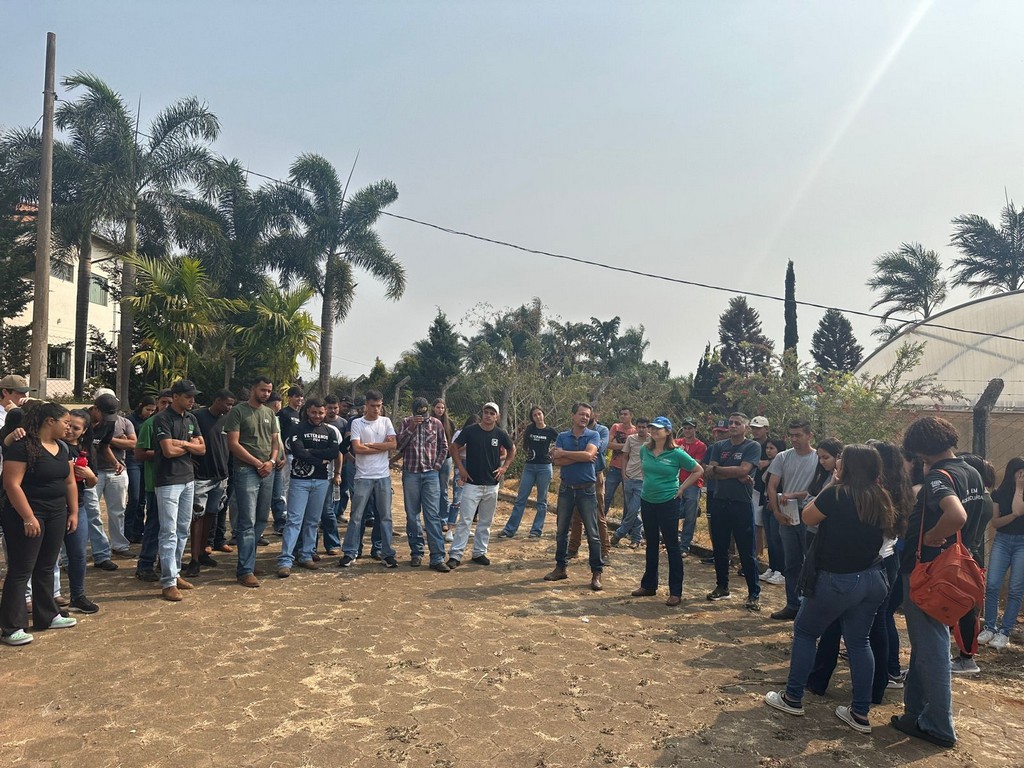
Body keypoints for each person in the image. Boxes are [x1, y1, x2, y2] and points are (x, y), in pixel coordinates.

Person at [764, 444, 897, 734]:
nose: (836, 463)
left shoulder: (836, 494)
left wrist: (832, 484)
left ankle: (792, 697)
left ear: (847, 466)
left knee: (805, 632)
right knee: (859, 642)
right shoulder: (881, 496)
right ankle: (860, 712)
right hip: (873, 578)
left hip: (838, 579)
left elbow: (808, 517)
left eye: (840, 461)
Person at [891, 416, 982, 749]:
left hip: (929, 573)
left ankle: (939, 725)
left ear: (919, 449)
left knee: (932, 647)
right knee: (925, 644)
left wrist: (931, 536)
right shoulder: (971, 472)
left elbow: (957, 515)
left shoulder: (938, 477)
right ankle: (916, 712)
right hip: (950, 570)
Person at [0, 402, 79, 645]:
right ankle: (12, 627)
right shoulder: (22, 447)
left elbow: (69, 482)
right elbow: (11, 484)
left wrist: (73, 512)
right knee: (21, 569)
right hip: (25, 515)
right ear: (49, 421)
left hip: (56, 513)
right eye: (66, 422)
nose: (68, 428)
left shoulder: (62, 448)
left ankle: (47, 616)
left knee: (46, 566)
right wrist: (28, 517)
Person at [630, 417, 703, 606]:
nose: (654, 431)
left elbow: (698, 470)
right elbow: (646, 471)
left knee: (671, 546)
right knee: (651, 543)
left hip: (668, 502)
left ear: (668, 432)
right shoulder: (645, 449)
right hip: (647, 500)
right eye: (652, 428)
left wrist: (681, 488)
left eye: (658, 428)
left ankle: (675, 591)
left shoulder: (676, 453)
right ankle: (648, 585)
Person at [152, 380, 206, 601]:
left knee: (183, 529)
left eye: (193, 396)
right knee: (169, 531)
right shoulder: (162, 418)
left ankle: (175, 573)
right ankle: (168, 582)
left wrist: (183, 444)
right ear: (175, 396)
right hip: (168, 481)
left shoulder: (191, 418)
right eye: (187, 396)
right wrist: (190, 445)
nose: (192, 400)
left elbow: (202, 449)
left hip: (188, 479)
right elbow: (167, 451)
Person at [224, 376, 279, 588]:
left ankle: (250, 561)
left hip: (267, 471)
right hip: (246, 470)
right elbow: (233, 443)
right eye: (263, 390)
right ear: (253, 389)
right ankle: (245, 570)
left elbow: (275, 442)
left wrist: (271, 462)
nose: (266, 394)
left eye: (269, 391)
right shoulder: (238, 411)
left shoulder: (269, 413)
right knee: (247, 520)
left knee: (262, 519)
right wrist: (257, 463)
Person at [448, 402, 515, 568]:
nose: (488, 416)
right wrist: (460, 468)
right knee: (465, 520)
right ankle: (455, 554)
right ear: (482, 413)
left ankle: (479, 552)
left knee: (485, 521)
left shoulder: (500, 433)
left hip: (492, 484)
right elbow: (454, 447)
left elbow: (512, 449)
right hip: (472, 483)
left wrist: (504, 467)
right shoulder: (470, 431)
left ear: (497, 417)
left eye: (492, 413)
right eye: (486, 412)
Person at [704, 412, 762, 609]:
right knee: (720, 548)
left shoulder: (752, 446)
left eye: (738, 423)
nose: (733, 426)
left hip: (741, 503)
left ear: (746, 427)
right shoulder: (719, 446)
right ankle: (722, 587)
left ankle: (753, 593)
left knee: (746, 551)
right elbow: (710, 473)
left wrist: (719, 470)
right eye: (731, 423)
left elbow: (744, 470)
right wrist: (734, 473)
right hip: (720, 501)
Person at [277, 398, 340, 577]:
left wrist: (310, 452)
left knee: (313, 521)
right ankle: (285, 560)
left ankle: (306, 555)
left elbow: (333, 452)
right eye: (313, 412)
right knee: (294, 521)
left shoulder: (330, 431)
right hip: (300, 481)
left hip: (321, 481)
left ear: (325, 412)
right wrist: (320, 459)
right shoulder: (297, 429)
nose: (317, 416)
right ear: (307, 412)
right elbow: (298, 452)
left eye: (320, 413)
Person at [766, 421, 822, 620]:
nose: (794, 439)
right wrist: (776, 511)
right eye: (792, 435)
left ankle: (811, 606)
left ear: (809, 435)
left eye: (798, 435)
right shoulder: (783, 456)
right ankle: (793, 604)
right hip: (787, 513)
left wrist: (795, 494)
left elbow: (820, 488)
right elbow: (772, 485)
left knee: (812, 562)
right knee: (791, 562)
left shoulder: (818, 458)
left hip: (810, 513)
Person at [544, 402, 603, 590]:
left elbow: (589, 456)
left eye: (587, 415)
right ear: (573, 416)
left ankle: (596, 573)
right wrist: (580, 456)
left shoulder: (594, 435)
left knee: (593, 533)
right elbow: (556, 461)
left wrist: (565, 454)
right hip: (566, 489)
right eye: (581, 414)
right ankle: (560, 568)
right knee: (561, 531)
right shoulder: (562, 436)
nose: (585, 417)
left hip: (586, 490)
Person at [338, 390, 399, 568]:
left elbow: (393, 444)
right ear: (366, 405)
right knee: (357, 516)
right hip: (363, 476)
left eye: (379, 406)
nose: (376, 409)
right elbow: (357, 448)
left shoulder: (386, 421)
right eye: (373, 406)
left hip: (383, 476)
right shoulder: (357, 423)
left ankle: (387, 553)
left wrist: (371, 445)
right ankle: (350, 552)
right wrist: (381, 447)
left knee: (385, 516)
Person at [182, 389, 234, 578]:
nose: (229, 407)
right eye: (227, 403)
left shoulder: (228, 420)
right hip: (201, 476)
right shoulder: (197, 416)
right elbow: (188, 441)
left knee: (212, 514)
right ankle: (194, 559)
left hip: (221, 476)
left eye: (231, 404)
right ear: (217, 400)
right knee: (197, 517)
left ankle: (203, 552)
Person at [394, 396, 449, 571]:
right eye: (419, 415)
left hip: (430, 474)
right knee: (412, 515)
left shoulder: (436, 424)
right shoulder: (406, 423)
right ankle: (416, 552)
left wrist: (436, 467)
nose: (422, 418)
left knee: (432, 515)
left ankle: (437, 557)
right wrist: (411, 428)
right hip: (411, 473)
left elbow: (444, 447)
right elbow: (399, 446)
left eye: (424, 415)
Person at [978, 457, 1024, 651]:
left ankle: (1004, 631)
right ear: (1012, 472)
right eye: (1020, 473)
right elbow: (996, 523)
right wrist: (1012, 516)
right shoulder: (998, 493)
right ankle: (989, 627)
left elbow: (1018, 509)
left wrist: (1020, 489)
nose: (1022, 477)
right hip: (1003, 541)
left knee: (1015, 589)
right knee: (992, 585)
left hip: (1022, 542)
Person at [500, 406, 558, 539]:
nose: (538, 417)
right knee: (521, 499)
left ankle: (536, 530)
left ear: (543, 414)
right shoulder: (530, 430)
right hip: (530, 467)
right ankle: (510, 530)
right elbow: (525, 445)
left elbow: (560, 442)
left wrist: (552, 451)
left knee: (541, 500)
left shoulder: (550, 431)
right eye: (535, 415)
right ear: (532, 418)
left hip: (544, 467)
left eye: (539, 414)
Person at [133, 389, 173, 582]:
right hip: (155, 482)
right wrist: (165, 451)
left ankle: (165, 563)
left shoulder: (180, 421)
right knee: (154, 525)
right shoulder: (151, 423)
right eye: (163, 402)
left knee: (172, 528)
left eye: (170, 403)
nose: (166, 406)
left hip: (176, 482)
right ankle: (145, 564)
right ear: (157, 403)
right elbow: (139, 453)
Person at [611, 418, 649, 548]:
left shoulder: (652, 440)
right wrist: (624, 473)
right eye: (639, 427)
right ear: (636, 427)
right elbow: (625, 456)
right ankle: (636, 538)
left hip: (642, 480)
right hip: (629, 477)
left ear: (648, 428)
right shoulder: (631, 439)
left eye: (644, 427)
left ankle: (619, 533)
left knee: (633, 510)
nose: (641, 429)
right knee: (633, 511)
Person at [124, 396, 156, 543]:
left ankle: (138, 531)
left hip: (147, 461)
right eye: (147, 409)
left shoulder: (154, 421)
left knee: (143, 498)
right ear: (140, 406)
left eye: (152, 410)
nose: (149, 413)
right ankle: (128, 531)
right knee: (135, 498)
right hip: (133, 460)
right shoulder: (131, 420)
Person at [755, 439, 787, 586]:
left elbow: (779, 486)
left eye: (772, 448)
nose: (768, 451)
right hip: (766, 503)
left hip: (777, 505)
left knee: (777, 538)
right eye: (767, 448)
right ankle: (772, 567)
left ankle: (781, 570)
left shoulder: (783, 465)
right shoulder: (769, 465)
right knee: (770, 538)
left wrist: (775, 503)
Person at [274, 386, 304, 534]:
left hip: (297, 456)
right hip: (285, 455)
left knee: (294, 486)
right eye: (296, 396)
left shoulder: (300, 415)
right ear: (290, 397)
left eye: (301, 397)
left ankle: (292, 516)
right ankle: (282, 518)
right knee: (284, 487)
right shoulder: (283, 413)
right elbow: (277, 434)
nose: (299, 399)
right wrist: (281, 453)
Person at [675, 418, 707, 556]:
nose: (687, 431)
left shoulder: (700, 446)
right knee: (673, 512)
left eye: (690, 428)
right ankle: (672, 542)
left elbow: (695, 464)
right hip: (676, 481)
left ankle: (684, 545)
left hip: (693, 483)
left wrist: (680, 456)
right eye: (685, 428)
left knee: (690, 516)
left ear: (695, 429)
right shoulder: (677, 442)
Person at [604, 408, 637, 524]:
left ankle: (625, 526)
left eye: (625, 414)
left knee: (628, 500)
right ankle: (599, 523)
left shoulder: (636, 430)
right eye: (621, 414)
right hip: (614, 467)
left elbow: (636, 448)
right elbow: (608, 444)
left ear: (631, 415)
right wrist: (627, 445)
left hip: (629, 470)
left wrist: (617, 444)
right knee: (606, 496)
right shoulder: (616, 427)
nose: (622, 416)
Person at [432, 398, 456, 535]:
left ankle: (443, 519)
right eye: (438, 407)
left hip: (446, 458)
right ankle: (432, 519)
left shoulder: (449, 423)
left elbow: (452, 441)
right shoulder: (429, 421)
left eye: (442, 408)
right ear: (433, 408)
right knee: (432, 490)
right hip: (431, 459)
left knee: (444, 489)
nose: (440, 410)